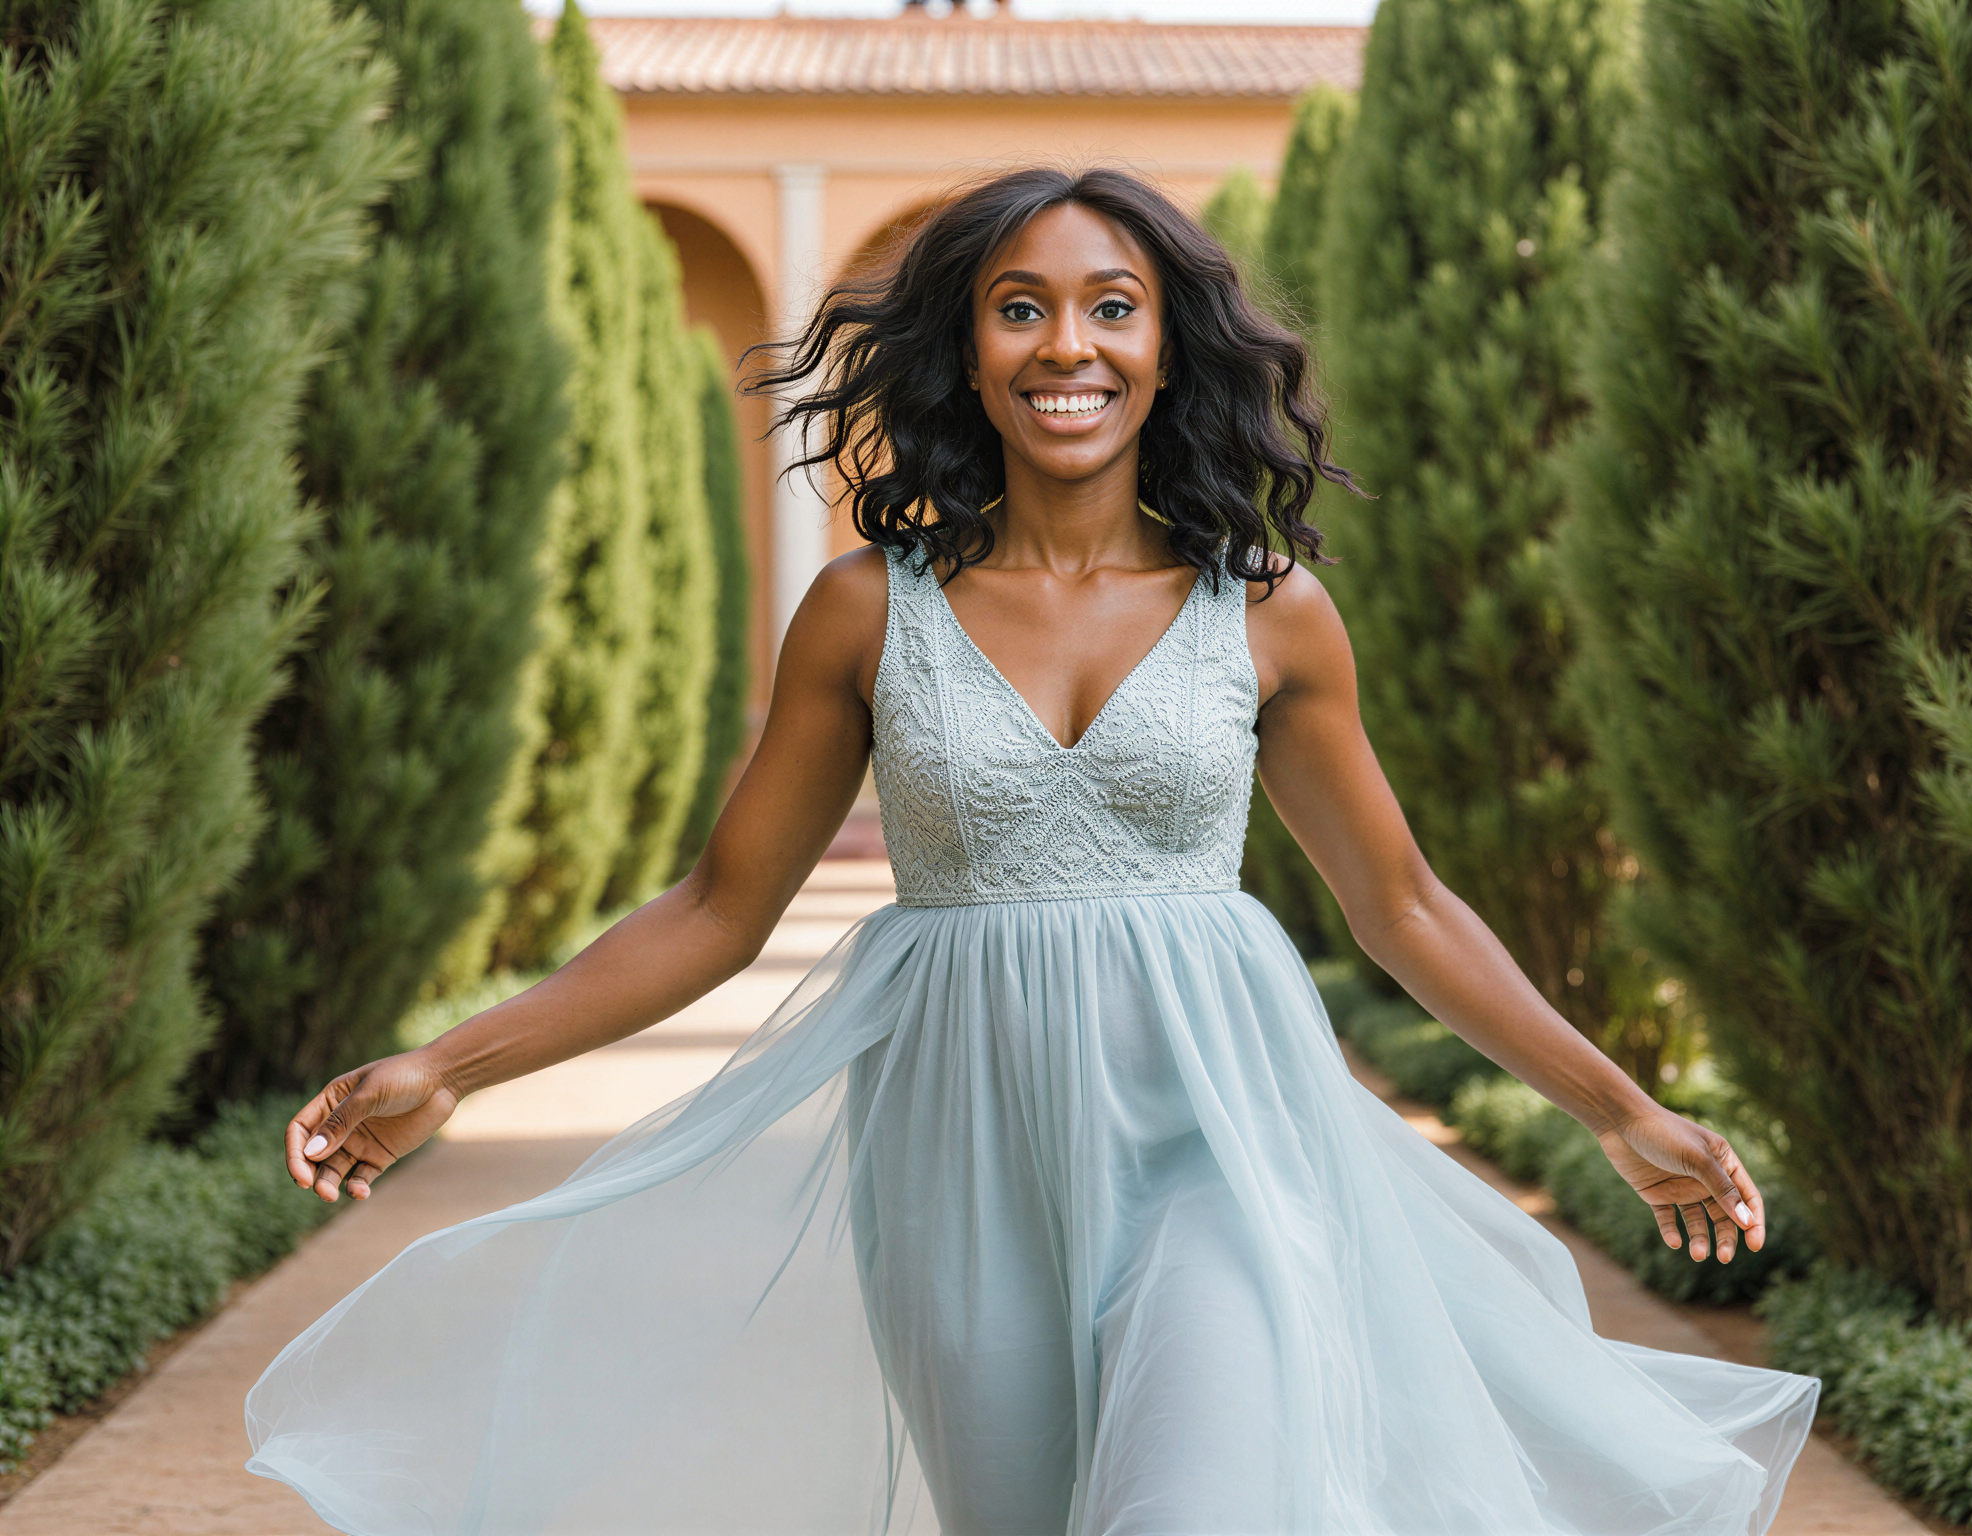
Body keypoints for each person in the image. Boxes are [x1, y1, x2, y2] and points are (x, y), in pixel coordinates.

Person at [245, 166, 1819, 1536]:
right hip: (958, 1154)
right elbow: (722, 909)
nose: (1069, 343)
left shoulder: (1269, 608)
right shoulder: (869, 609)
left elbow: (1399, 904)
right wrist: (453, 1064)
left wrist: (1621, 1109)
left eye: (1113, 306)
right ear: (969, 352)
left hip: (1219, 1140)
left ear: (1165, 346)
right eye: (1021, 308)